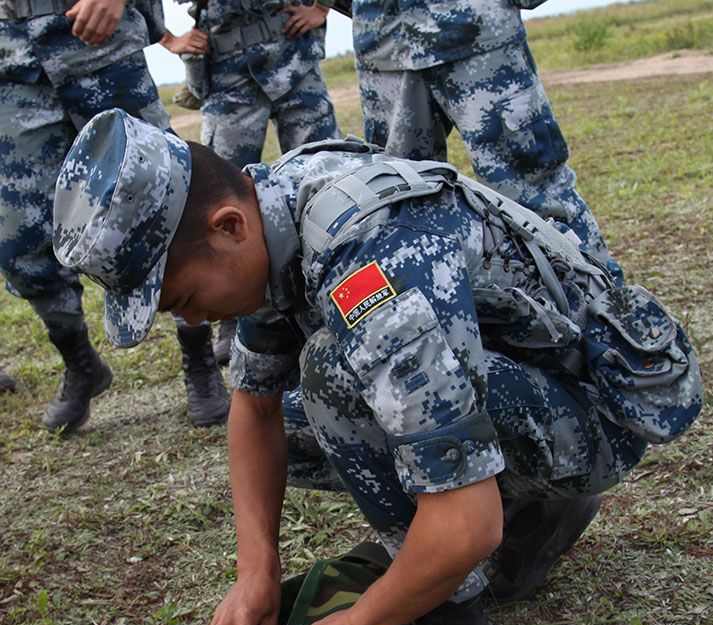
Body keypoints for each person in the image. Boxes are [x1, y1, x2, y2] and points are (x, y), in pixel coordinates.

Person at [53, 110, 701, 625]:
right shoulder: (270, 210)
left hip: (592, 420)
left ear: (227, 227)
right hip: (534, 394)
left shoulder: (368, 253)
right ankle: (537, 518)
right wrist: (257, 568)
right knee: (303, 427)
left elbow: (465, 522)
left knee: (335, 376)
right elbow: (254, 407)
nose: (193, 321)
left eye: (186, 299)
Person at [0, 0, 229, 432]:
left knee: (167, 203)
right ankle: (81, 363)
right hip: (12, 66)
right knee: (17, 244)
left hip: (96, 44)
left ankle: (199, 363)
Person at [350, 0, 623, 285]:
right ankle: (449, 321)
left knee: (534, 195)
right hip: (385, 48)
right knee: (402, 206)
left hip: (476, 32)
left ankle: (607, 312)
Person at [161, 0, 342, 365]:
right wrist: (167, 39)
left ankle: (334, 295)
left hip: (292, 54)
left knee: (328, 186)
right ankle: (237, 313)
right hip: (226, 70)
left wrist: (323, 7)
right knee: (220, 192)